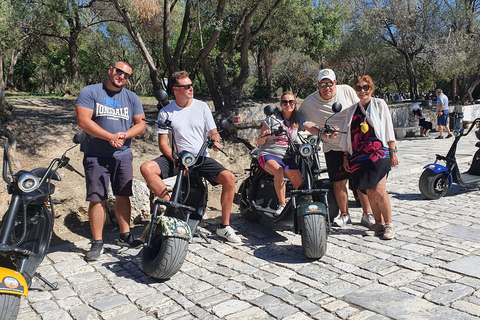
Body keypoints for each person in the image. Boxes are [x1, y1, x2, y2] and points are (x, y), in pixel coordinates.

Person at [140, 71, 240, 243]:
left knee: (229, 178)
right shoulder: (166, 112)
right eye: (186, 86)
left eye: (191, 85)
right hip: (177, 157)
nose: (191, 88)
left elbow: (214, 132)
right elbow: (163, 145)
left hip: (199, 157)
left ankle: (224, 226)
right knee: (146, 168)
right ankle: (173, 208)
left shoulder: (202, 107)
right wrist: (177, 161)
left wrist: (216, 141)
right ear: (175, 89)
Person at [76, 60, 146, 261]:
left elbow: (140, 124)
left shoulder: (131, 97)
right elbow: (83, 121)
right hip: (96, 155)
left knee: (124, 194)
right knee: (97, 198)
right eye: (119, 72)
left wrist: (123, 136)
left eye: (127, 75)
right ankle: (97, 242)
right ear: (110, 70)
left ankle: (125, 235)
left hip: (122, 154)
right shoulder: (90, 92)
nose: (122, 77)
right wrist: (110, 137)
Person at [298, 69, 374, 228]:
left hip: (354, 145)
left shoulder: (346, 91)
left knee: (360, 181)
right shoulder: (310, 102)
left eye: (330, 83)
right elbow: (297, 117)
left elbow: (362, 108)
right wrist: (318, 132)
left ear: (335, 83)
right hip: (333, 147)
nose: (327, 87)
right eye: (323, 84)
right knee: (339, 182)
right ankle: (344, 214)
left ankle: (367, 214)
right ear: (318, 85)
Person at [257, 91, 337, 216]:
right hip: (268, 154)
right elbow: (259, 141)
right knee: (278, 171)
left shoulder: (297, 119)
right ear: (281, 104)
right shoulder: (271, 120)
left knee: (301, 186)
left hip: (286, 157)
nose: (288, 104)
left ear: (295, 104)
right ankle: (282, 204)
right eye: (285, 102)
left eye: (291, 102)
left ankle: (307, 210)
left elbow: (311, 128)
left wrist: (327, 135)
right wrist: (264, 135)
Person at [340, 75, 399, 240]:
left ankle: (389, 224)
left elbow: (388, 129)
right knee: (369, 191)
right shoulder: (352, 110)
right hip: (359, 156)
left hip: (378, 153)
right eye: (358, 88)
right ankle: (377, 223)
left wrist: (393, 152)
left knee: (379, 190)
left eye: (365, 87)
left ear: (371, 88)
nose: (362, 91)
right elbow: (347, 136)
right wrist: (346, 157)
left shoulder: (379, 104)